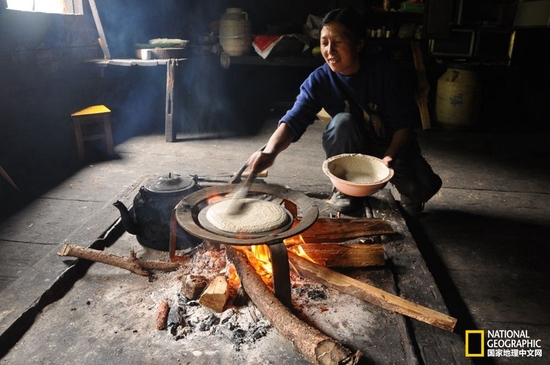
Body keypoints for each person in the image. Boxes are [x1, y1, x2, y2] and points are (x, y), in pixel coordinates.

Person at [246, 7, 442, 217]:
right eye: (324, 43)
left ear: (358, 44)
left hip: (390, 148)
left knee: (422, 186)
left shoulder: (386, 74)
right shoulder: (319, 80)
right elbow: (293, 119)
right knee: (342, 123)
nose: (329, 50)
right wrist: (270, 152)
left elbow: (404, 126)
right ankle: (345, 189)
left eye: (337, 42)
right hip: (352, 151)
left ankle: (409, 194)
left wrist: (387, 160)